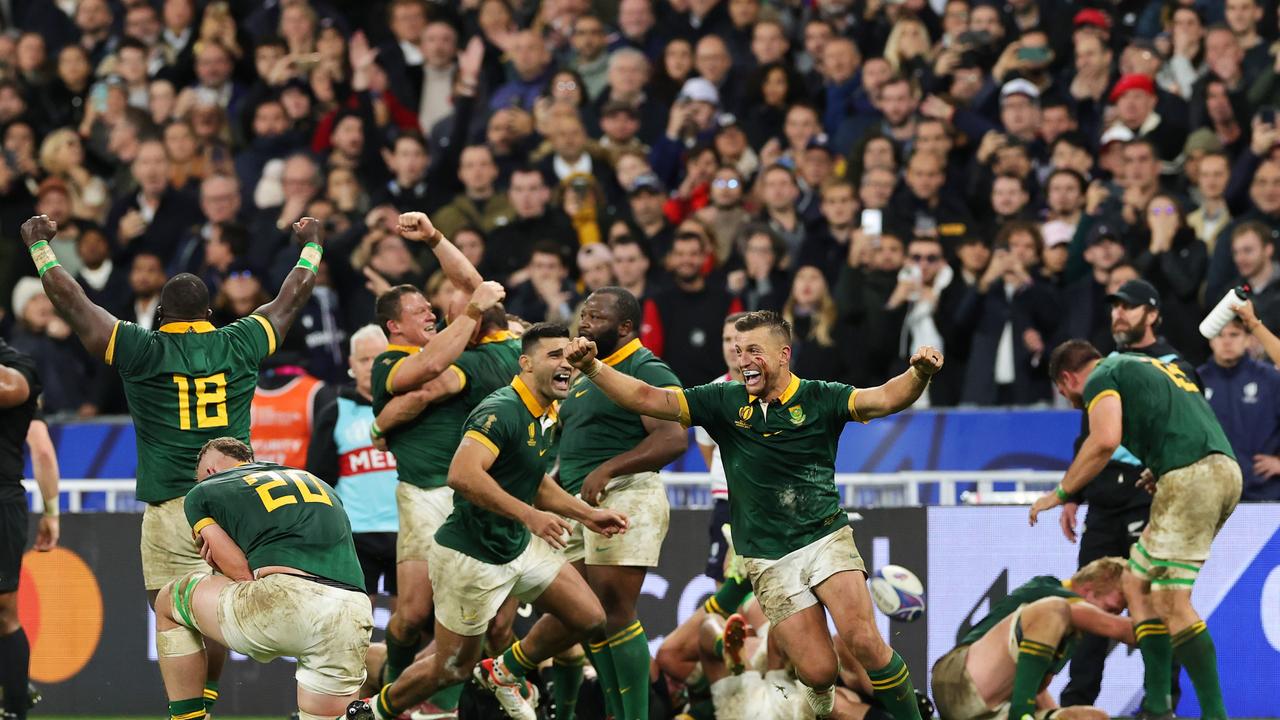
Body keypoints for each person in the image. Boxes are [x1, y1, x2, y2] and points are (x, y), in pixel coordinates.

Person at [15, 213, 325, 715]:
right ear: (210, 311)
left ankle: (189, 714)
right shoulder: (241, 340)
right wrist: (312, 244)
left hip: (171, 506)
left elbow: (74, 303)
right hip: (235, 502)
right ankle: (206, 700)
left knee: (171, 610)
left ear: (160, 314)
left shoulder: (142, 348)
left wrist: (40, 249)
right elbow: (293, 295)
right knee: (215, 605)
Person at [563, 310, 941, 720]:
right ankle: (818, 695)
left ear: (783, 355)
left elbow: (884, 397)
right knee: (818, 671)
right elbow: (649, 398)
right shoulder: (722, 400)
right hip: (766, 556)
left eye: (754, 351)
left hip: (824, 537)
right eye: (738, 350)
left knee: (863, 641)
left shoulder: (820, 396)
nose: (743, 360)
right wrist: (593, 368)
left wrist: (919, 375)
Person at [349, 323, 629, 720]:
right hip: (470, 557)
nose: (565, 363)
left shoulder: (546, 411)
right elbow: (462, 476)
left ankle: (503, 670)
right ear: (525, 364)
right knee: (451, 668)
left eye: (567, 355)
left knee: (589, 617)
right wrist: (531, 516)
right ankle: (372, 710)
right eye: (554, 355)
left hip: (515, 546)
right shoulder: (501, 410)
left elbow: (533, 481)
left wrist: (587, 514)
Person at [1031, 341, 1242, 720]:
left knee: (1172, 602)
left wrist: (1061, 492)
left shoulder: (1100, 377)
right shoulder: (1144, 366)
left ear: (1067, 379)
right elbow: (1182, 419)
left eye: (1064, 394)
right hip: (1216, 470)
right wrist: (1158, 466)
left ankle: (1214, 715)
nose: (1070, 402)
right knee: (1135, 581)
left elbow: (1105, 440)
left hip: (1192, 477)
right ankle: (1157, 707)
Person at [366, 212, 508, 697]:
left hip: (475, 493)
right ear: (393, 325)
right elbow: (429, 369)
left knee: (474, 615)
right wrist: (386, 417)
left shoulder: (476, 351)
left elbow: (475, 289)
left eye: (434, 309)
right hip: (423, 495)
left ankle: (449, 702)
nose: (430, 314)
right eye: (420, 311)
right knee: (410, 616)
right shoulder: (390, 361)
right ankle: (390, 690)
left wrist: (435, 238)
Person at [153, 437, 373, 720]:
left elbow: (243, 574)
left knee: (170, 601)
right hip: (351, 610)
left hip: (285, 599)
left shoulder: (205, 492)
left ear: (208, 473)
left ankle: (188, 718)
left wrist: (218, 560)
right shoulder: (313, 480)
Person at [545, 286, 688, 720]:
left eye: (597, 317)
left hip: (626, 495)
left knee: (614, 606)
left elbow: (673, 436)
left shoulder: (645, 366)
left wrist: (609, 469)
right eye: (583, 315)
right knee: (586, 614)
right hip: (576, 504)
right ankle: (615, 709)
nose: (584, 323)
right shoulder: (587, 374)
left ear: (626, 327)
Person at [931, 558, 1135, 720]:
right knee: (1055, 608)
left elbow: (1033, 686)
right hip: (958, 680)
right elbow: (1118, 627)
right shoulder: (1050, 592)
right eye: (1112, 609)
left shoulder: (1067, 635)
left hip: (994, 708)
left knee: (1092, 717)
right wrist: (1155, 629)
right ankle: (1022, 714)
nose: (1116, 614)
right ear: (1090, 586)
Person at [306, 325, 400, 604]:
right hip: (355, 533)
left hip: (407, 529)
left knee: (411, 619)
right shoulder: (334, 411)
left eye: (378, 358)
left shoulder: (413, 406)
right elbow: (319, 478)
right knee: (357, 617)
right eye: (364, 360)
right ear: (351, 365)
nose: (371, 367)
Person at [0, 340, 59, 720]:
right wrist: (52, 513)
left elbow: (41, 450)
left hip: (1, 499)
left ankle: (15, 706)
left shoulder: (18, 367)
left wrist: (51, 511)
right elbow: (42, 451)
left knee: (5, 611)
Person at [1198, 317, 1280, 501]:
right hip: (1213, 495)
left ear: (1248, 339)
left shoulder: (1270, 379)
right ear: (1211, 341)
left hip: (1264, 493)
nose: (1227, 341)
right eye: (1219, 335)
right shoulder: (1196, 382)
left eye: (1234, 334)